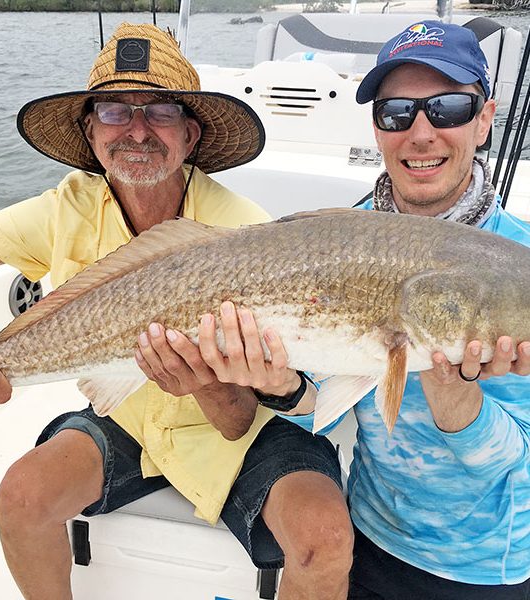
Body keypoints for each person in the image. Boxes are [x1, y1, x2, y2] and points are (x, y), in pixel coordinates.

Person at [0, 23, 353, 600]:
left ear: (190, 133)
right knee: (21, 498)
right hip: (128, 415)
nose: (136, 129)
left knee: (324, 537)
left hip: (240, 426)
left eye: (159, 111)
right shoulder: (64, 207)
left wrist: (204, 385)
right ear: (90, 131)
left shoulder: (245, 232)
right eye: (113, 111)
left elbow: (237, 419)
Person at [193, 20, 530, 599]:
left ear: (484, 118)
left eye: (447, 108)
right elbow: (322, 404)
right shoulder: (337, 235)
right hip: (367, 535)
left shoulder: (516, 268)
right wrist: (276, 389)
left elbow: (515, 472)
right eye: (396, 112)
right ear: (377, 128)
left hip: (484, 566)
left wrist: (456, 402)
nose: (420, 132)